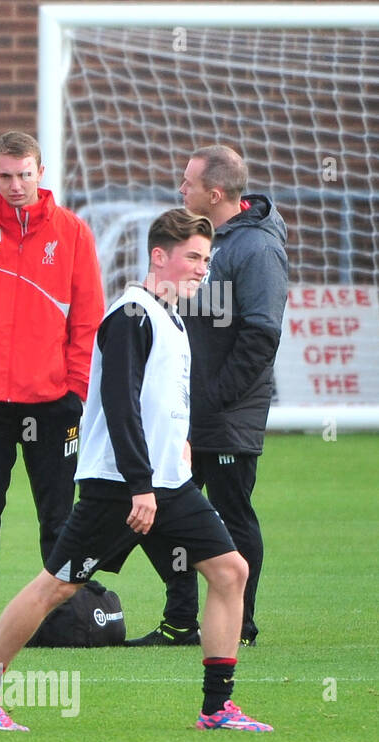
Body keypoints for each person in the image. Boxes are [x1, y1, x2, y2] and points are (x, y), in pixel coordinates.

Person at [0, 209, 271, 732]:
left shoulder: (170, 316)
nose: (201, 269)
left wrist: (181, 442)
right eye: (192, 257)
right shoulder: (130, 316)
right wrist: (140, 486)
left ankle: (217, 708)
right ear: (158, 257)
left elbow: (159, 401)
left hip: (168, 483)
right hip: (120, 487)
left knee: (230, 570)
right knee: (57, 586)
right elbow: (119, 405)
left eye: (206, 259)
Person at [0, 131, 104, 647]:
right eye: (6, 175)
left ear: (41, 172)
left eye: (24, 174)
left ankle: (67, 616)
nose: (15, 185)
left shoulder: (73, 234)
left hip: (53, 402)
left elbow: (88, 318)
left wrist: (76, 385)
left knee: (59, 514)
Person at [126, 146, 289, 648]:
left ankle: (239, 626)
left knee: (230, 513)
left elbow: (262, 334)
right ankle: (181, 620)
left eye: (188, 182)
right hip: (185, 411)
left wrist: (213, 398)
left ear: (214, 193)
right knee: (158, 511)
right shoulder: (201, 241)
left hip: (225, 414)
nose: (181, 189)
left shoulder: (256, 250)